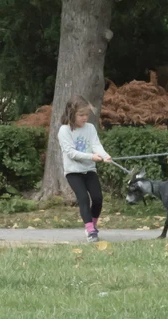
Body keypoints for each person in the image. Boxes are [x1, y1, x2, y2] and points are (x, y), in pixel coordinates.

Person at [58, 95, 111, 242]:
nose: (85, 118)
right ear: (71, 114)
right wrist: (91, 157)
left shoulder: (90, 128)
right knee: (83, 198)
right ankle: (90, 230)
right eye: (81, 115)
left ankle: (92, 226)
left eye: (87, 115)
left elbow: (96, 145)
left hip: (89, 170)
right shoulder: (64, 131)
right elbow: (71, 153)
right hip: (73, 172)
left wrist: (104, 155)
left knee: (98, 198)